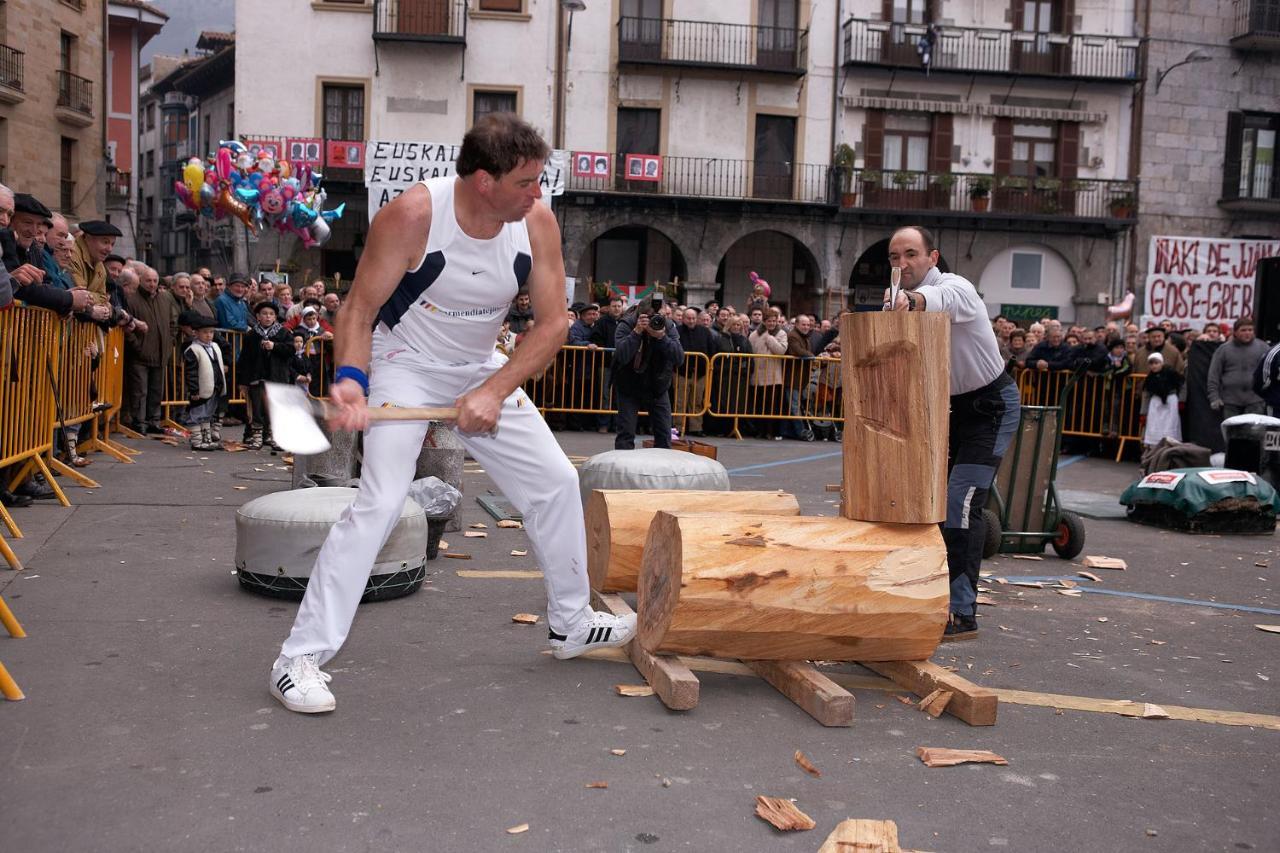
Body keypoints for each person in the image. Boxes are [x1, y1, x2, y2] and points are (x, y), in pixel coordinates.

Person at [268, 114, 637, 714]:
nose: (538, 194)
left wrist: (493, 390)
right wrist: (352, 381)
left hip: (480, 365)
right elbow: (360, 308)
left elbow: (553, 326)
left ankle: (571, 621)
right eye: (526, 182)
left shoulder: (535, 222)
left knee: (556, 482)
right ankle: (298, 658)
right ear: (484, 180)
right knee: (381, 501)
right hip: (404, 362)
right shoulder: (414, 215)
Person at [883, 225, 1020, 641]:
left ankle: (962, 613)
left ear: (933, 258)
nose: (902, 264)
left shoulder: (955, 287)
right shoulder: (894, 299)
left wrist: (909, 300)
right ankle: (932, 596)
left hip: (992, 407)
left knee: (960, 503)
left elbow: (935, 301)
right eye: (894, 257)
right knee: (937, 502)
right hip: (954, 408)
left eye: (911, 254)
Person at [613, 297, 683, 450]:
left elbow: (679, 357)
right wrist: (636, 333)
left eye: (660, 316)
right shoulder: (627, 324)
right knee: (626, 432)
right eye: (651, 316)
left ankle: (662, 471)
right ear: (641, 314)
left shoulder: (668, 326)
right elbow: (622, 356)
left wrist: (661, 337)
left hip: (657, 385)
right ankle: (624, 468)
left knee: (664, 434)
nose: (656, 320)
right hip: (629, 385)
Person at [237, 300, 295, 450]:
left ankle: (274, 436)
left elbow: (291, 350)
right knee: (257, 407)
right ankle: (257, 436)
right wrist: (243, 381)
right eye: (264, 314)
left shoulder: (284, 333)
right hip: (257, 377)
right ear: (257, 316)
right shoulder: (251, 335)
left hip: (277, 376)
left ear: (275, 317)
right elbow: (244, 359)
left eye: (271, 314)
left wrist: (274, 346)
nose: (268, 317)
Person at [1207, 317, 1271, 418]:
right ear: (1235, 332)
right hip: (1229, 401)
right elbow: (1214, 375)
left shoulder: (1263, 348)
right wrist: (1214, 397)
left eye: (1250, 330)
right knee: (1232, 433)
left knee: (1252, 432)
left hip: (1255, 400)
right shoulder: (1223, 350)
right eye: (1243, 330)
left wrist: (1268, 396)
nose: (1247, 333)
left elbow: (1271, 373)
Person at [183, 316, 227, 452]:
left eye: (211, 332)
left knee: (208, 414)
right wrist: (194, 390)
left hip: (215, 387)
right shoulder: (193, 350)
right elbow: (191, 373)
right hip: (201, 389)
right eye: (205, 332)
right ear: (196, 333)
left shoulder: (215, 346)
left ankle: (206, 439)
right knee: (197, 414)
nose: (209, 335)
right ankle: (196, 441)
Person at [676, 306, 715, 436]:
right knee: (680, 401)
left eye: (693, 318)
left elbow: (711, 350)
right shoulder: (677, 331)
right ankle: (678, 427)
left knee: (697, 401)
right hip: (681, 372)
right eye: (689, 318)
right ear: (683, 318)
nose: (691, 321)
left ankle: (696, 427)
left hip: (700, 373)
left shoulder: (704, 332)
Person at [1142, 353, 1182, 448]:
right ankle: (1154, 448)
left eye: (1156, 363)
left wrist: (1181, 400)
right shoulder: (1150, 378)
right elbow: (1146, 394)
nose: (1154, 366)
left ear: (1161, 363)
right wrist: (1143, 412)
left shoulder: (1171, 373)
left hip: (1170, 402)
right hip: (1156, 402)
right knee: (1154, 425)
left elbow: (1181, 385)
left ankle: (1170, 447)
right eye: (1151, 364)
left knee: (1170, 424)